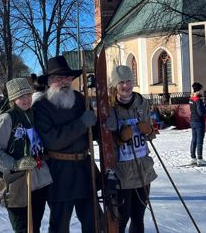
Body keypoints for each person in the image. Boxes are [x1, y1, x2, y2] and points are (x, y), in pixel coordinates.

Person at [32, 55, 98, 233]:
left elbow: (93, 131)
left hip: (84, 170)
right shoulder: (42, 106)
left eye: (67, 77)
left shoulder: (79, 99)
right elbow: (52, 140)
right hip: (59, 173)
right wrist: (82, 124)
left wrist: (105, 125)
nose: (64, 82)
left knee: (95, 224)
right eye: (59, 78)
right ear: (49, 81)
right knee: (60, 226)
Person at [0, 78, 52, 233]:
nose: (26, 99)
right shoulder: (7, 118)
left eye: (28, 95)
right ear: (13, 99)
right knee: (23, 228)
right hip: (15, 183)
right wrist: (15, 164)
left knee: (34, 226)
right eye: (21, 97)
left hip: (37, 180)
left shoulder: (33, 114)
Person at [105, 65, 158, 233]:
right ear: (115, 85)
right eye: (121, 82)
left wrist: (148, 130)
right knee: (122, 217)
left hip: (143, 169)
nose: (126, 86)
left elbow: (150, 133)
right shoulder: (109, 108)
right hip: (122, 172)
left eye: (129, 81)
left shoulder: (142, 103)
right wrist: (120, 139)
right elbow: (105, 142)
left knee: (138, 215)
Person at [189, 82, 206, 166]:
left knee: (194, 140)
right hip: (199, 122)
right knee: (200, 141)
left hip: (192, 121)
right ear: (199, 89)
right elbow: (201, 112)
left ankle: (193, 158)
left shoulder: (191, 98)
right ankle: (200, 159)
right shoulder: (198, 99)